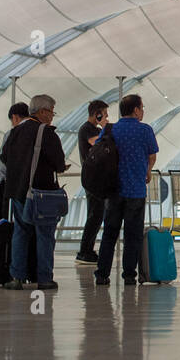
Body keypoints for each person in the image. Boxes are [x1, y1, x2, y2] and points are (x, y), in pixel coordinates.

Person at [2, 94, 68, 291]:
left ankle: (17, 277)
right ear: (42, 112)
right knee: (45, 234)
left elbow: (5, 156)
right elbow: (58, 163)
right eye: (51, 112)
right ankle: (44, 278)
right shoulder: (46, 133)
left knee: (20, 233)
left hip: (18, 191)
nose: (52, 116)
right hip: (40, 193)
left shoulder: (16, 131)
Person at [95, 94, 158, 286]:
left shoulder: (109, 129)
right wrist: (147, 171)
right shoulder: (145, 130)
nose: (143, 111)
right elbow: (152, 155)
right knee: (133, 235)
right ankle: (129, 274)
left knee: (110, 233)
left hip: (113, 189)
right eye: (142, 107)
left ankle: (102, 274)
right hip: (136, 190)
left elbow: (98, 151)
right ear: (136, 110)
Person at [75, 100, 110, 267]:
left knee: (96, 215)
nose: (106, 117)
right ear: (97, 113)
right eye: (104, 113)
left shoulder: (93, 129)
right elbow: (96, 142)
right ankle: (84, 250)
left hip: (97, 177)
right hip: (91, 178)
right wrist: (104, 127)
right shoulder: (87, 129)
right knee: (95, 215)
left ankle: (87, 249)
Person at [0, 102, 29, 222]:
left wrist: (0, 180)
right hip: (26, 186)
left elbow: (2, 160)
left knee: (4, 220)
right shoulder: (35, 132)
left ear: (15, 117)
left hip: (9, 186)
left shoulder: (12, 134)